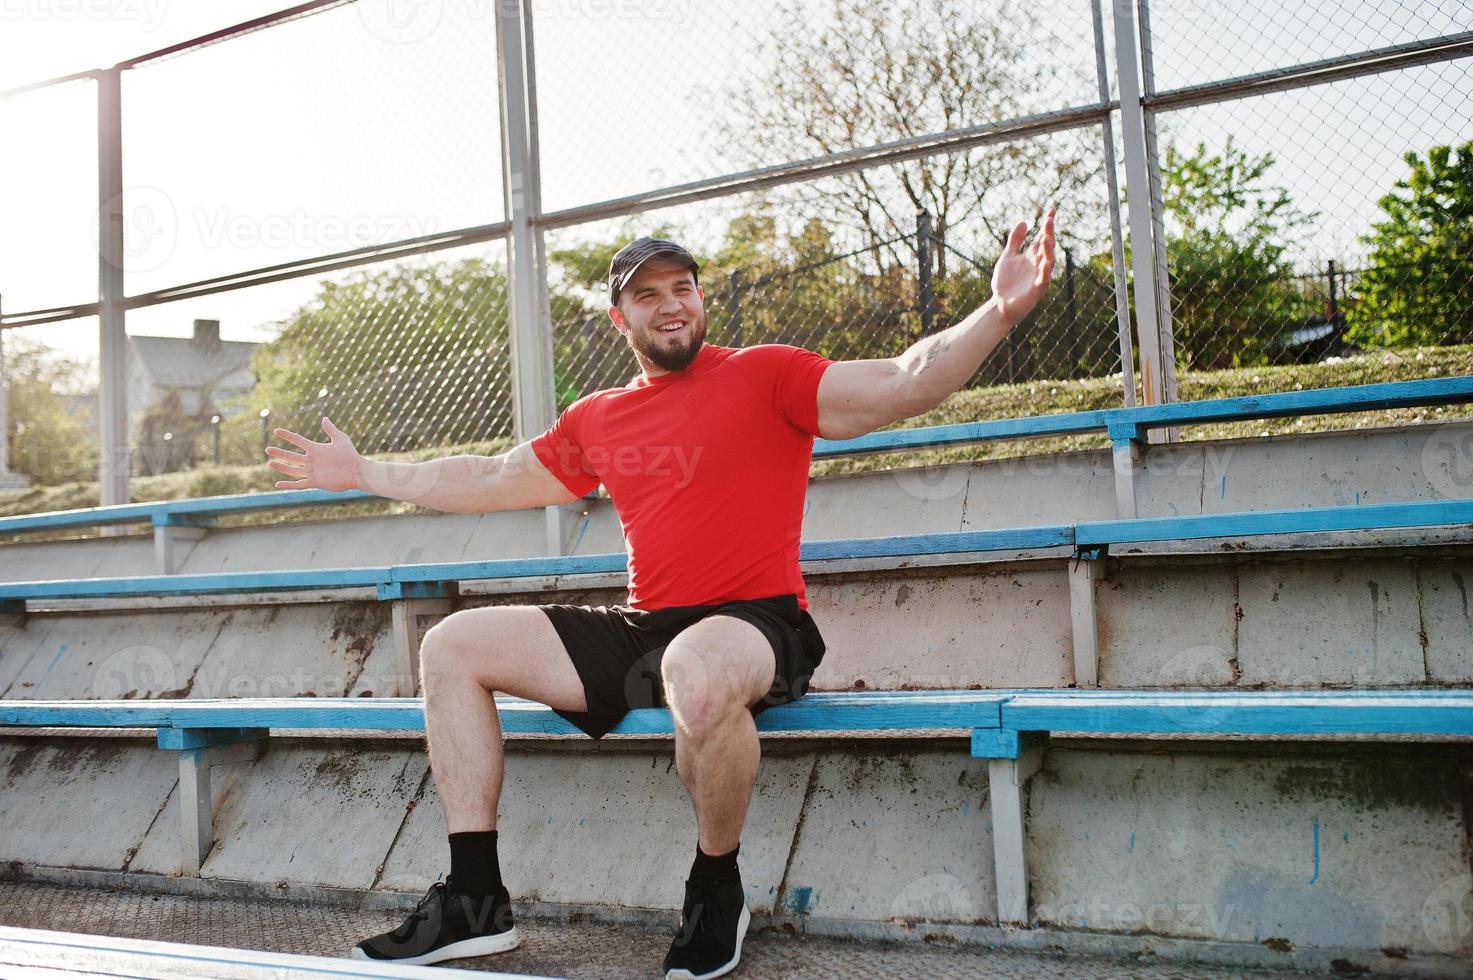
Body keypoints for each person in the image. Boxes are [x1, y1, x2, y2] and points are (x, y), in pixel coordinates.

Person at [265, 210, 1056, 979]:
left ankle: (716, 887)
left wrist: (996, 310)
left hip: (757, 622)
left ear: (699, 300)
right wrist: (368, 473)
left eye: (682, 287)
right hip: (649, 625)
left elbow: (902, 381)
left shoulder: (766, 374)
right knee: (452, 644)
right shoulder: (599, 417)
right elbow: (490, 477)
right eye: (648, 294)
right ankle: (475, 900)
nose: (670, 303)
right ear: (620, 318)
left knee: (697, 670)